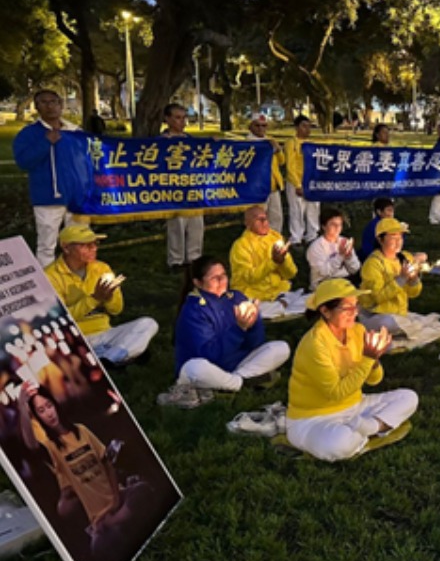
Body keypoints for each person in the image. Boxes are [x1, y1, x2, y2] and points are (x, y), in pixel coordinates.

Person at [18, 382, 153, 561]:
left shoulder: (81, 430)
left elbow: (107, 463)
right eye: (41, 410)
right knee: (104, 550)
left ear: (55, 405)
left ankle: (117, 521)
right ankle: (114, 526)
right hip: (99, 517)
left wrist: (115, 501)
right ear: (37, 417)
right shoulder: (52, 447)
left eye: (49, 406)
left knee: (143, 491)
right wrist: (23, 407)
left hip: (119, 500)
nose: (48, 413)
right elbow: (31, 445)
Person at [286, 279, 418, 462]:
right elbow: (335, 393)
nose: (354, 313)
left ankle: (371, 427)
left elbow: (374, 380)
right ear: (325, 311)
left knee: (409, 397)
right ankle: (372, 428)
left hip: (356, 406)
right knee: (338, 444)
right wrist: (368, 358)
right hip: (314, 417)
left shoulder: (358, 330)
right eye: (346, 308)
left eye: (355, 307)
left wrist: (374, 360)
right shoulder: (315, 344)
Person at [45, 225, 159, 367]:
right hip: (76, 339)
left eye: (95, 243)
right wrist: (94, 299)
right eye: (85, 245)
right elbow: (60, 320)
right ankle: (124, 353)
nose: (94, 248)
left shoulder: (101, 268)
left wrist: (110, 297)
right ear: (66, 247)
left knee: (148, 323)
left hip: (105, 333)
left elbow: (116, 310)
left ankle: (108, 357)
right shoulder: (50, 276)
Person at [174, 256, 291, 391]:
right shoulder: (193, 310)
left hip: (238, 363)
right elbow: (209, 355)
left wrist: (253, 324)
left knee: (281, 348)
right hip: (208, 367)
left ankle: (234, 382)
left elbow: (256, 344)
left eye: (223, 275)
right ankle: (243, 383)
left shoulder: (236, 297)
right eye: (214, 278)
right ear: (198, 283)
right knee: (194, 368)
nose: (222, 281)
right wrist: (239, 329)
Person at [13, 89, 88, 266]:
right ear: (37, 107)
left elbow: (88, 160)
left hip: (76, 197)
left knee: (80, 241)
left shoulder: (74, 131)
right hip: (47, 197)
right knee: (47, 245)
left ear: (61, 105)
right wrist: (46, 142)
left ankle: (78, 279)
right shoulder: (29, 134)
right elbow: (24, 162)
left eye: (53, 102)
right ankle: (47, 286)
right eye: (44, 103)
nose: (50, 106)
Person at [358, 218, 440, 350]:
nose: (398, 241)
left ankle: (397, 344)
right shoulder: (372, 264)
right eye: (393, 237)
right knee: (392, 323)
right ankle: (415, 331)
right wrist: (401, 279)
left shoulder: (405, 258)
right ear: (381, 240)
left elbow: (414, 293)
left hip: (400, 313)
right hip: (376, 315)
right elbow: (378, 297)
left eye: (400, 237)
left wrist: (414, 280)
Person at [229, 206, 300, 317]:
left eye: (265, 218)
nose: (264, 222)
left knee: (311, 300)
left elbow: (291, 274)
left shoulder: (276, 238)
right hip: (251, 294)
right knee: (249, 310)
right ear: (248, 224)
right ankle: (282, 304)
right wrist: (273, 263)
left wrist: (283, 261)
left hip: (277, 292)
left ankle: (282, 303)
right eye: (258, 219)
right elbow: (250, 277)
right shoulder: (240, 246)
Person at [161, 103, 204, 271]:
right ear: (167, 119)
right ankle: (176, 260)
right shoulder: (160, 143)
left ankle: (194, 258)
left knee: (196, 225)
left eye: (184, 118)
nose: (182, 122)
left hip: (193, 189)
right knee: (176, 226)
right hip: (173, 189)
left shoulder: (190, 141)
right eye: (178, 118)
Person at [247, 114, 286, 233]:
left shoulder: (270, 141)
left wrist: (278, 150)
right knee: (257, 217)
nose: (261, 128)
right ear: (250, 127)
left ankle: (274, 241)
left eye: (264, 126)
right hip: (257, 187)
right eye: (257, 125)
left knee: (276, 216)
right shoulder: (246, 143)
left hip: (273, 185)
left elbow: (282, 161)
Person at [285, 115, 320, 245]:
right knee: (297, 210)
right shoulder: (291, 143)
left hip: (311, 182)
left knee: (313, 209)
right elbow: (290, 166)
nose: (307, 129)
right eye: (304, 126)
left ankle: (312, 235)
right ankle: (296, 237)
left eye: (309, 127)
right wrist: (297, 185)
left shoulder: (311, 145)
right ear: (297, 127)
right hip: (296, 182)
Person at [306, 207, 361, 290]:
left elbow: (355, 269)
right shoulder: (315, 247)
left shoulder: (344, 241)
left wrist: (349, 257)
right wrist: (340, 255)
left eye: (340, 224)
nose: (337, 227)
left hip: (345, 280)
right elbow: (325, 272)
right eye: (333, 224)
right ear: (324, 226)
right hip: (324, 284)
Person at [360, 197, 395, 263]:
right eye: (389, 210)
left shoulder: (390, 224)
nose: (391, 214)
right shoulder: (375, 226)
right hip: (372, 259)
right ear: (379, 212)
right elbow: (368, 248)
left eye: (392, 211)